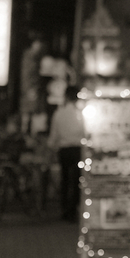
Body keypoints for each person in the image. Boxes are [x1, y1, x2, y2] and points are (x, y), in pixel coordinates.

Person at [47, 84, 85, 223]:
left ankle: (64, 209)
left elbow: (53, 135)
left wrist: (51, 148)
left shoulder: (59, 113)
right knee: (76, 181)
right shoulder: (81, 113)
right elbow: (85, 132)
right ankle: (73, 210)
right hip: (78, 150)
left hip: (64, 150)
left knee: (65, 180)